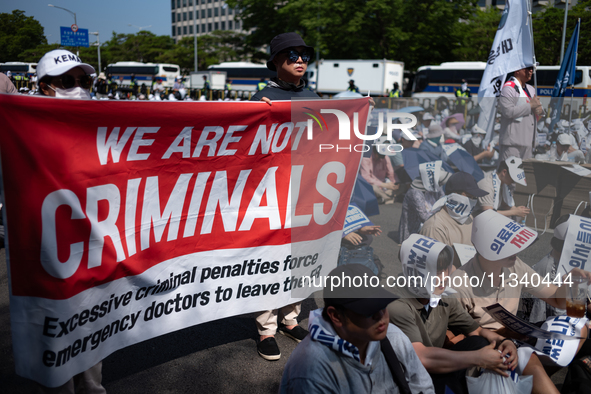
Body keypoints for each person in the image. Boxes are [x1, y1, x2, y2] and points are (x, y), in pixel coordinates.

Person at [35, 49, 106, 394]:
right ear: (45, 86)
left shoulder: (99, 119)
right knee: (56, 325)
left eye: (84, 80)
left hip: (92, 240)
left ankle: (93, 387)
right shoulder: (24, 126)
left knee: (92, 320)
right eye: (68, 81)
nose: (79, 87)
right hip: (49, 246)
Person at [250, 32, 319, 360]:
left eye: (304, 55)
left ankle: (290, 319)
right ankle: (266, 327)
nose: (300, 60)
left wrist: (361, 110)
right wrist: (253, 114)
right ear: (276, 62)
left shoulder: (314, 95)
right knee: (269, 261)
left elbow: (338, 131)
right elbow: (241, 142)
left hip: (308, 191)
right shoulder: (262, 97)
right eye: (291, 55)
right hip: (271, 194)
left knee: (302, 258)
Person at [389, 235, 519, 394]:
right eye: (436, 271)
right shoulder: (397, 305)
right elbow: (421, 357)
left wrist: (504, 341)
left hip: (433, 370)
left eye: (446, 268)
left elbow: (476, 330)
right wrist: (478, 358)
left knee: (478, 342)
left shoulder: (444, 295)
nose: (444, 277)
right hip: (407, 379)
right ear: (415, 271)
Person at [280, 263, 435, 394]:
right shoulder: (311, 369)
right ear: (336, 316)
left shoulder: (393, 335)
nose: (381, 315)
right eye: (368, 309)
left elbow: (423, 386)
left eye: (382, 304)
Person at [419, 171, 488, 267]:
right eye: (468, 196)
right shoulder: (434, 227)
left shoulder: (469, 218)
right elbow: (435, 269)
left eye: (474, 197)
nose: (472, 201)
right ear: (454, 195)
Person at [398, 161, 451, 244]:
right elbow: (424, 217)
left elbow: (444, 202)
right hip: (415, 231)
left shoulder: (436, 187)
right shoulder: (415, 193)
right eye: (439, 182)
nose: (440, 185)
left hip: (434, 222)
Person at [497, 66, 544, 160]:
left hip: (528, 142)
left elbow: (538, 111)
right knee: (510, 173)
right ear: (517, 70)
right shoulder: (508, 88)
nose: (531, 71)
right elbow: (508, 111)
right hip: (512, 144)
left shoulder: (531, 89)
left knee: (525, 174)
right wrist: (530, 106)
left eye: (532, 68)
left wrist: (540, 110)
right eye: (528, 68)